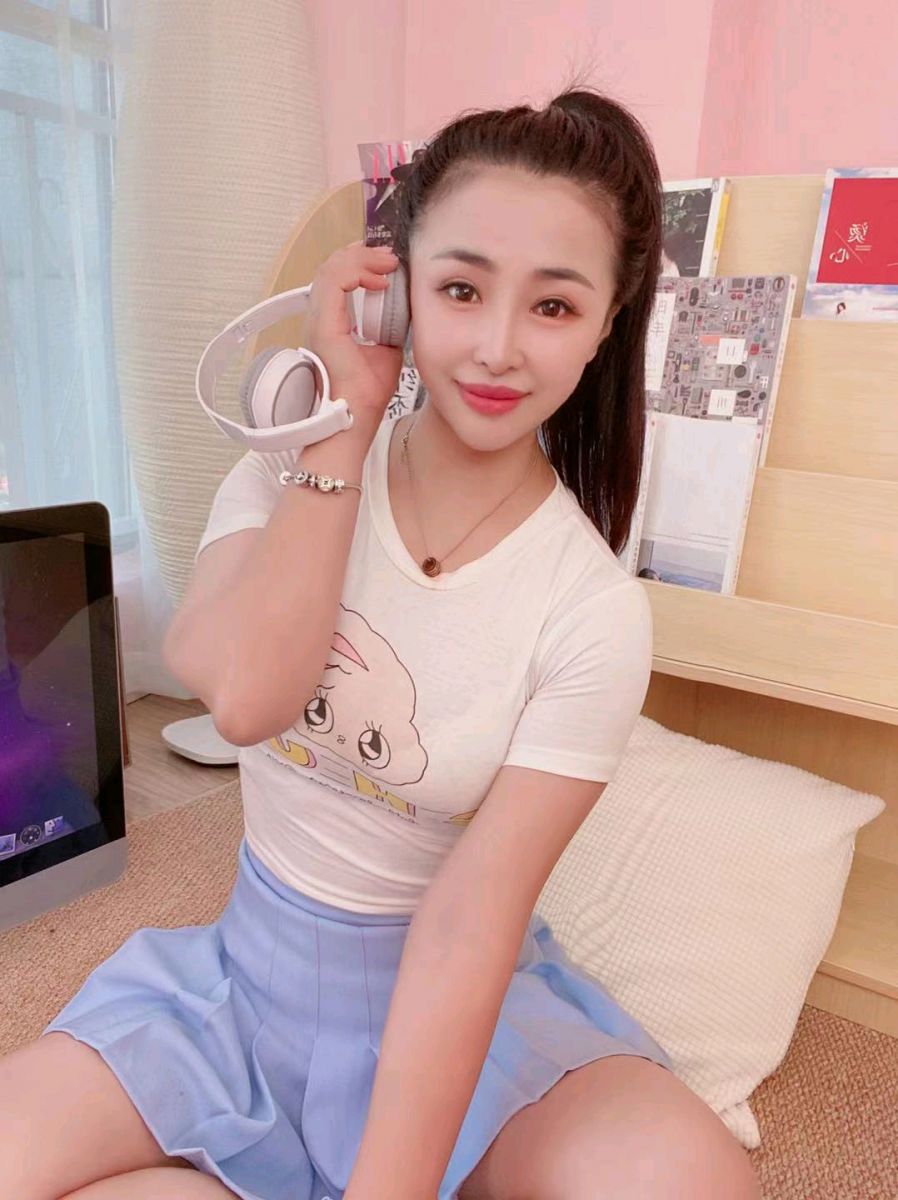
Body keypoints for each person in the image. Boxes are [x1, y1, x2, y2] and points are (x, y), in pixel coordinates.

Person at [0, 83, 762, 1200]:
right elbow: (246, 699)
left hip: (458, 1012)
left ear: (608, 323)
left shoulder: (592, 610)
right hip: (240, 992)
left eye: (553, 306)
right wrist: (344, 425)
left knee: (689, 1181)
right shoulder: (284, 466)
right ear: (395, 290)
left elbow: (467, 928)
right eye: (460, 288)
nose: (497, 348)